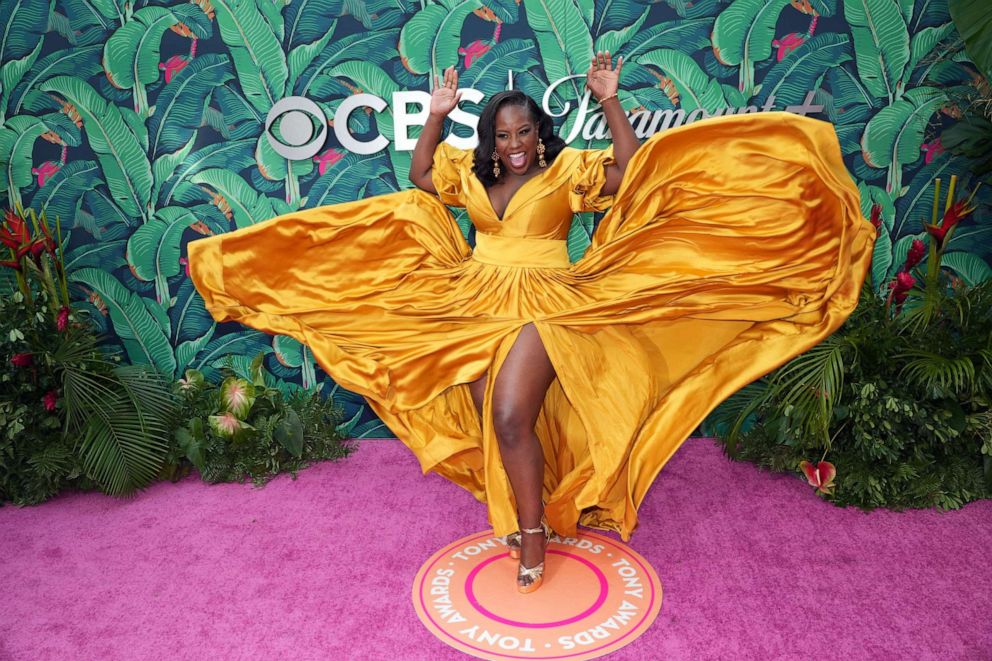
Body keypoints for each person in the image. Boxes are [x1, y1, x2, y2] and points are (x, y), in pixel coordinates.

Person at [188, 52, 875, 595]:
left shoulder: (567, 168)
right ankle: (534, 509)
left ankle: (534, 531)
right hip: (475, 299)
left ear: (539, 132)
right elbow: (423, 173)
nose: (515, 145)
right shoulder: (474, 173)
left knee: (514, 413)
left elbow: (632, 175)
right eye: (503, 135)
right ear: (491, 137)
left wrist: (608, 98)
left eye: (523, 133)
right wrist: (437, 112)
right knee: (499, 419)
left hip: (547, 297)